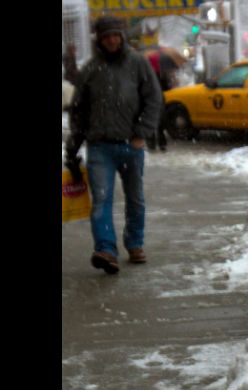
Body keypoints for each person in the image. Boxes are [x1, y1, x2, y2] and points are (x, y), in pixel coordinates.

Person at [65, 15, 163, 275]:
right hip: (99, 147)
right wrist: (73, 146)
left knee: (135, 199)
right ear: (100, 39)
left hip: (131, 145)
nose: (111, 40)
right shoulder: (90, 69)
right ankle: (106, 250)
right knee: (102, 199)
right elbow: (78, 110)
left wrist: (142, 132)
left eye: (115, 35)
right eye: (106, 36)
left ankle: (135, 244)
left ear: (122, 37)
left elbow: (154, 99)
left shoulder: (137, 64)